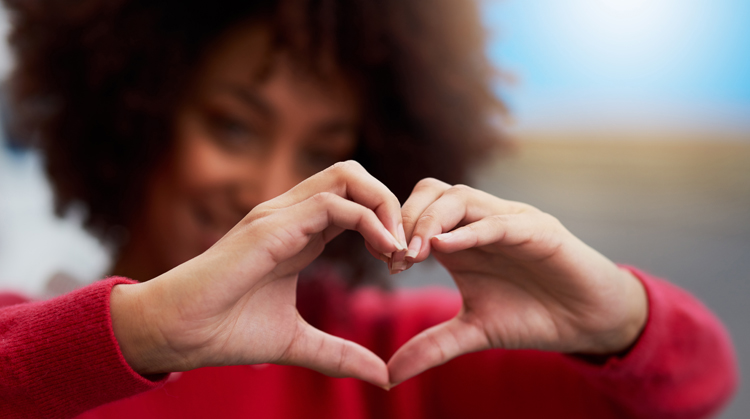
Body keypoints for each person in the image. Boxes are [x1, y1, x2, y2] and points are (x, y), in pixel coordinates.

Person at [0, 0, 738, 418]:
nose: (270, 189)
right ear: (139, 111)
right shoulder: (42, 349)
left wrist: (615, 314)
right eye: (233, 125)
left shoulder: (392, 359)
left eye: (324, 152)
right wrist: (149, 329)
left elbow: (702, 384)